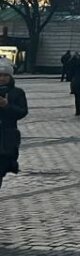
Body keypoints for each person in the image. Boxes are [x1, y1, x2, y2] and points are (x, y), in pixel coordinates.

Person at [0, 57, 28, 190]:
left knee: (2, 167)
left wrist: (7, 106)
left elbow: (22, 112)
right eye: (0, 75)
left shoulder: (17, 93)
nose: (2, 78)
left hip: (7, 136)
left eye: (5, 75)